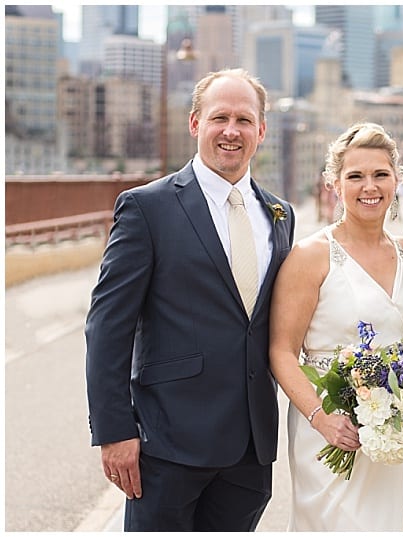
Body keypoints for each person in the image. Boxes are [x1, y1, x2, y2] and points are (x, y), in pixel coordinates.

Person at [84, 68, 295, 531]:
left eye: (244, 120)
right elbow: (107, 326)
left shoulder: (281, 215)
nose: (231, 131)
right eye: (220, 117)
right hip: (167, 445)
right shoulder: (146, 208)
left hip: (250, 451)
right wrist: (116, 430)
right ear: (195, 123)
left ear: (261, 130)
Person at [269, 122, 403, 531]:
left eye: (380, 175)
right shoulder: (311, 256)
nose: (368, 187)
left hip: (393, 431)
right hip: (330, 429)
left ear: (397, 180)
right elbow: (282, 351)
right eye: (355, 176)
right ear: (334, 184)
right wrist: (322, 418)